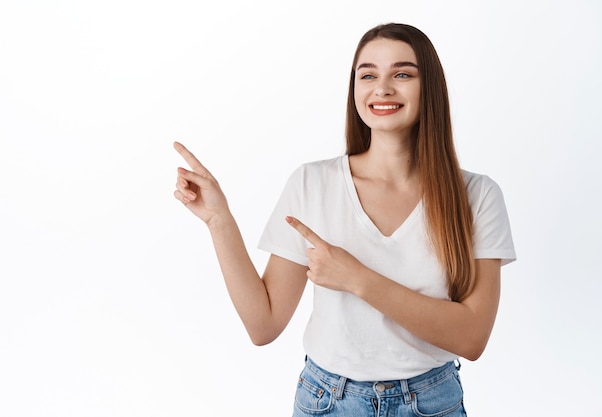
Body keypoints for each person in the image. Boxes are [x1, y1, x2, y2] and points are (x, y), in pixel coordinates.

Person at [173, 22, 515, 417]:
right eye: (367, 74)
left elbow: (472, 338)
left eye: (402, 74)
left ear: (430, 87)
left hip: (431, 402)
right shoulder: (313, 182)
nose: (382, 88)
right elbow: (263, 325)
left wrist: (356, 278)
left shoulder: (478, 195)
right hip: (329, 402)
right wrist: (219, 219)